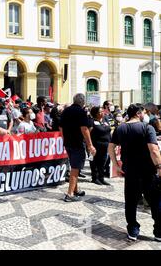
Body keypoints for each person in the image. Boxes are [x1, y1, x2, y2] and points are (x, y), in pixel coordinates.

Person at [108, 104, 161, 242]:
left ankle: (133, 230)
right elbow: (154, 150)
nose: (144, 114)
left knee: (131, 202)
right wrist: (160, 167)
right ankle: (159, 231)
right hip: (148, 171)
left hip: (130, 171)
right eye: (143, 112)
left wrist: (116, 164)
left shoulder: (121, 128)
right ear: (138, 113)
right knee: (155, 202)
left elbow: (111, 147)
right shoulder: (147, 128)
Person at [60, 93, 96, 202]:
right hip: (77, 143)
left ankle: (75, 190)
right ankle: (70, 194)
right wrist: (90, 145)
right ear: (82, 102)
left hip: (68, 143)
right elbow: (84, 129)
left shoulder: (66, 110)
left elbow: (60, 127)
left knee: (74, 166)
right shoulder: (81, 112)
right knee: (75, 168)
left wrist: (64, 139)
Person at [89, 106, 111, 186]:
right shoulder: (92, 121)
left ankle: (101, 178)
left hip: (105, 145)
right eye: (100, 112)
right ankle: (95, 178)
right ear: (95, 113)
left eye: (102, 111)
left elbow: (109, 130)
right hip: (95, 145)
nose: (102, 113)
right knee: (94, 161)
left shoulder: (105, 119)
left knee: (102, 162)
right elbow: (88, 133)